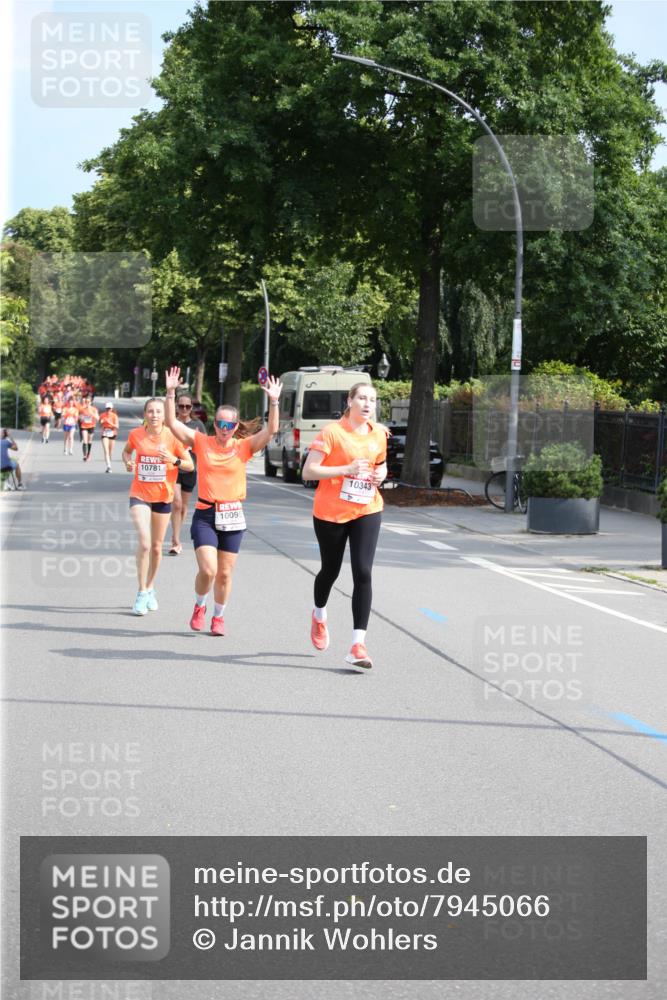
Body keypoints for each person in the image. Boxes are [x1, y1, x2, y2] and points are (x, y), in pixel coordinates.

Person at [164, 365, 282, 636]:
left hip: (232, 516)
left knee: (225, 574)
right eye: (220, 423)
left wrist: (274, 400)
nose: (224, 429)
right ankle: (199, 605)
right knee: (208, 570)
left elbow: (271, 431)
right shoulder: (202, 442)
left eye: (230, 425)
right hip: (206, 515)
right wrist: (170, 393)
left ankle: (218, 617)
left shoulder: (243, 448)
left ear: (235, 426)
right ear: (214, 423)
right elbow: (172, 424)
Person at [302, 382, 388, 672]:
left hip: (367, 508)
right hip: (331, 512)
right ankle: (319, 614)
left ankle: (357, 644)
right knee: (331, 570)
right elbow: (308, 470)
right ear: (350, 401)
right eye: (362, 398)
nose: (367, 404)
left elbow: (382, 464)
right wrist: (345, 470)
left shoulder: (379, 434)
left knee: (363, 572)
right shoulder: (332, 433)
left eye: (372, 400)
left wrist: (381, 474)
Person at [121, 397, 194, 616]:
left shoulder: (173, 437)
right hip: (140, 494)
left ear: (164, 415)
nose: (154, 415)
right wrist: (127, 462)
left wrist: (174, 460)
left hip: (163, 497)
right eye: (150, 411)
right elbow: (126, 451)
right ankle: (142, 592)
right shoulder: (136, 435)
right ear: (145, 414)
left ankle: (151, 586)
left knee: (156, 546)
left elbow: (190, 465)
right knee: (144, 543)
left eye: (158, 412)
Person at [168, 391, 206, 554]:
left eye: (187, 406)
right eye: (181, 406)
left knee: (183, 507)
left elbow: (205, 447)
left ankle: (176, 533)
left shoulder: (198, 425)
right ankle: (176, 541)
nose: (184, 409)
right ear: (176, 406)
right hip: (173, 468)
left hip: (191, 469)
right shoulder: (171, 424)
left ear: (191, 408)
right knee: (176, 503)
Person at [99, 402, 120, 472]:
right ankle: (108, 466)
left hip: (112, 433)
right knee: (106, 450)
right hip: (104, 433)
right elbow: (100, 424)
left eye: (109, 408)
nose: (108, 410)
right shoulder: (102, 415)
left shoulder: (114, 416)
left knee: (110, 451)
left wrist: (109, 422)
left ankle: (109, 463)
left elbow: (117, 426)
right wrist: (101, 423)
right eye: (107, 408)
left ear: (112, 409)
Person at [78, 395, 99, 461]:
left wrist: (92, 414)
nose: (87, 403)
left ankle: (88, 454)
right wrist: (81, 418)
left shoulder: (94, 409)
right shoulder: (82, 409)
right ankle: (84, 455)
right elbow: (79, 418)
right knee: (85, 440)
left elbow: (97, 418)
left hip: (91, 426)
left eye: (88, 402)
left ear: (91, 402)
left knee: (89, 441)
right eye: (86, 402)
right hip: (84, 426)